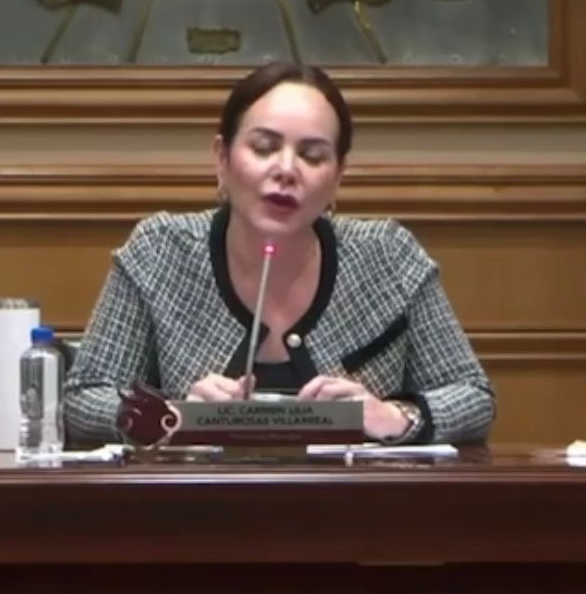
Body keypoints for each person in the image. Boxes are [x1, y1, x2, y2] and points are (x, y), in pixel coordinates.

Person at [65, 62, 495, 444]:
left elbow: (473, 397)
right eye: (264, 148)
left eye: (312, 155)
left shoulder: (388, 256)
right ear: (222, 158)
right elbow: (83, 399)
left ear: (338, 176)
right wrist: (173, 416)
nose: (286, 170)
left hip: (354, 505)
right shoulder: (160, 251)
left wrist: (396, 417)